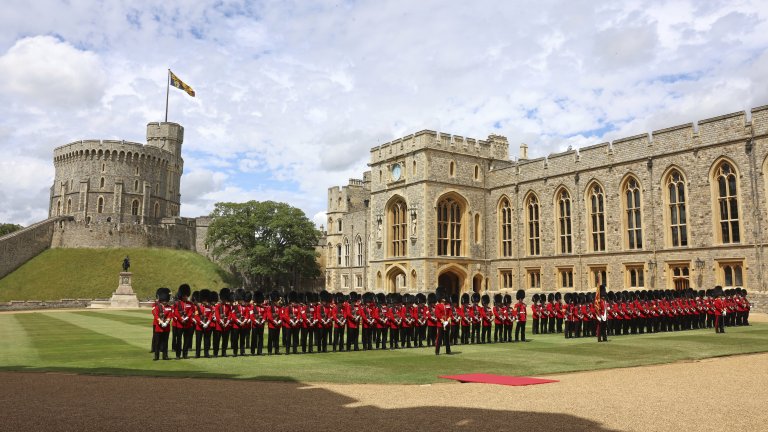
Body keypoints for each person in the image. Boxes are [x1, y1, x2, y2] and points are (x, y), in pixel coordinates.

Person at [152, 287, 173, 360]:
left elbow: (170, 315)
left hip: (166, 327)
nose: (165, 302)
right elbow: (156, 315)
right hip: (158, 327)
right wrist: (161, 322)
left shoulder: (169, 307)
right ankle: (156, 356)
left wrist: (166, 322)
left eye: (166, 300)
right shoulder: (158, 307)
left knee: (165, 343)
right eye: (164, 300)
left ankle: (165, 356)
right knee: (157, 343)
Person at [434, 287, 451, 355]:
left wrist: (447, 321)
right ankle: (437, 351)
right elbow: (438, 315)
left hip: (447, 323)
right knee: (439, 338)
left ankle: (448, 350)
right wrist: (443, 322)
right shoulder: (438, 306)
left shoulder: (448, 305)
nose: (444, 298)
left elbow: (450, 314)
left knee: (447, 338)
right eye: (442, 296)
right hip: (440, 324)